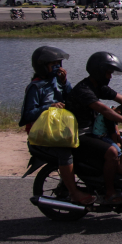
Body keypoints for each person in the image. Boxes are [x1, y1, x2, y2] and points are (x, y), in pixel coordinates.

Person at [20, 46, 96, 206]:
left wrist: (65, 82)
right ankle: (74, 193)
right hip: (43, 135)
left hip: (60, 131)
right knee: (65, 153)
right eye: (52, 64)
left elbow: (71, 99)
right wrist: (49, 107)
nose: (57, 67)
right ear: (42, 66)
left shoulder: (57, 82)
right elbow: (27, 115)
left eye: (58, 63)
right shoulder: (36, 87)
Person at [65, 52, 122, 206]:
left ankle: (119, 171)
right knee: (112, 151)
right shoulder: (84, 90)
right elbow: (106, 111)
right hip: (80, 134)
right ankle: (110, 192)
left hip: (92, 131)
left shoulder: (98, 87)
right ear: (98, 71)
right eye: (108, 73)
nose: (110, 77)